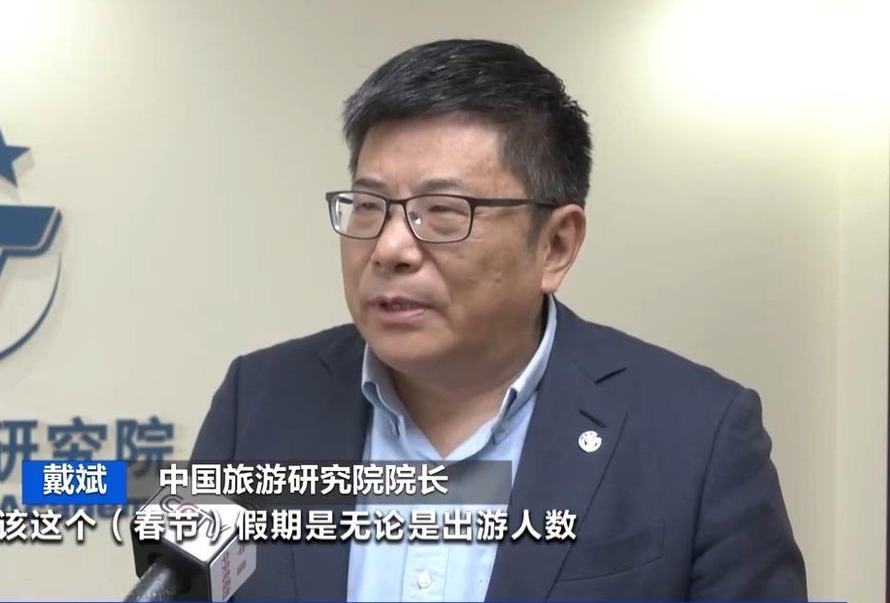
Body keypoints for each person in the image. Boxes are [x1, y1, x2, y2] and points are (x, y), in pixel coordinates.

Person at [191, 39, 806, 601]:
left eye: (442, 211)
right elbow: (173, 587)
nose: (389, 248)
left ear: (556, 245)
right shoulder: (258, 402)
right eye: (370, 205)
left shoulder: (698, 435)